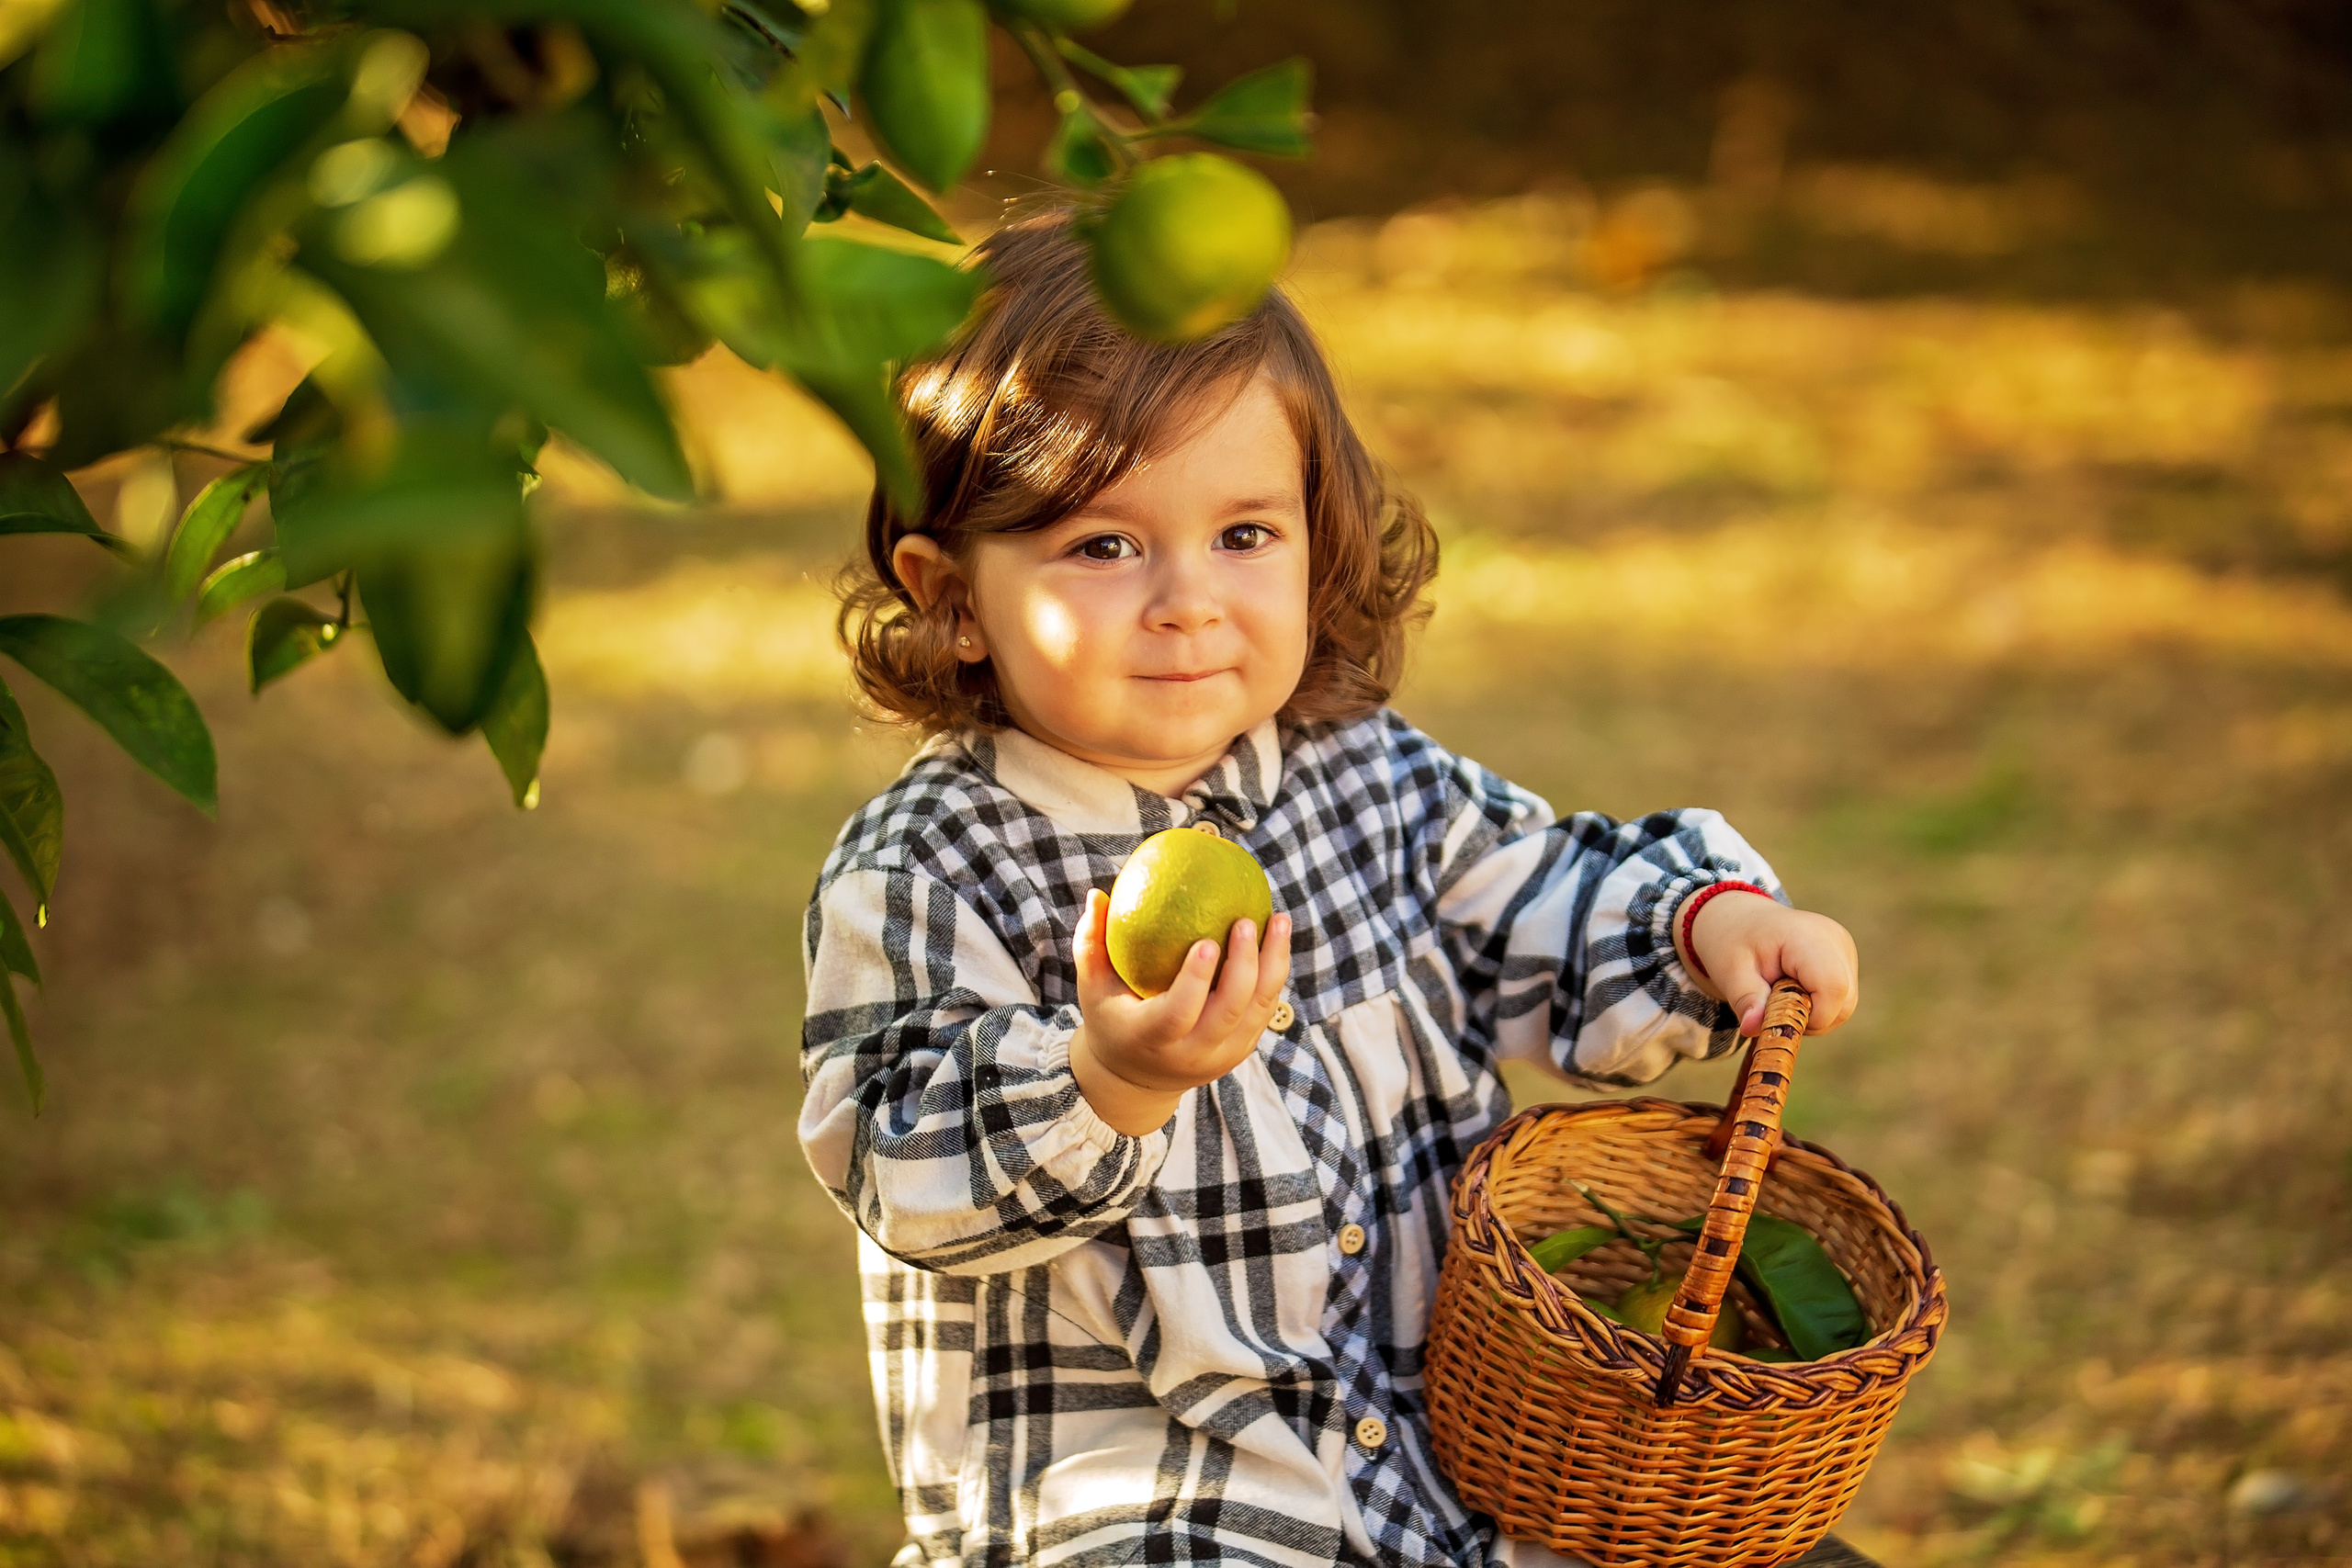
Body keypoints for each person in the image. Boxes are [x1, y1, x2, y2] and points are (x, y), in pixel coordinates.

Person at [797, 209, 1862, 1568]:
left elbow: (1537, 898)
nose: (1188, 600)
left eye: (1244, 533)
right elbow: (898, 1165)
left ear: (1320, 537)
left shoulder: (1361, 773)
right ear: (951, 597)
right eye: (1104, 547)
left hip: (1456, 1467)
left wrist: (1710, 921)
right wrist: (1107, 1080)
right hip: (1153, 1509)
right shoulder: (930, 865)